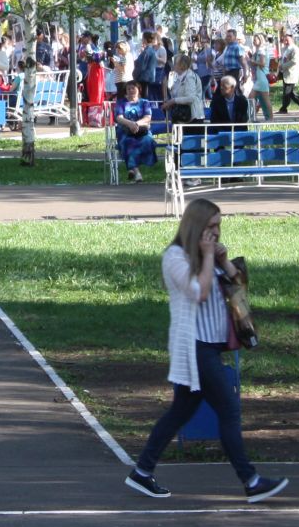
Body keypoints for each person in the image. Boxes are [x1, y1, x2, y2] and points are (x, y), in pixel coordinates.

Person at [122, 199, 289, 504]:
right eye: (210, 226)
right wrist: (210, 257)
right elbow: (199, 293)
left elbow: (238, 288)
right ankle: (250, 481)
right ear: (196, 226)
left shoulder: (208, 256)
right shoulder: (174, 257)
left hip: (212, 344)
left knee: (179, 412)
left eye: (219, 226)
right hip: (195, 347)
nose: (215, 232)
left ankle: (142, 472)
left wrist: (223, 261)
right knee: (228, 409)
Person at [113, 81, 157, 183]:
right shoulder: (121, 103)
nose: (131, 91)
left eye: (133, 88)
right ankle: (137, 172)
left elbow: (147, 118)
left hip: (142, 129)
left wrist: (136, 124)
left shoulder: (144, 102)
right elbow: (119, 118)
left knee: (147, 141)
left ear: (138, 90)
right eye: (128, 89)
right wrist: (130, 124)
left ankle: (131, 168)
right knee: (127, 142)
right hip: (125, 131)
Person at [166, 53, 204, 123]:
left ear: (181, 65)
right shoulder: (178, 77)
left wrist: (173, 101)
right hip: (181, 117)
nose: (173, 65)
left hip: (192, 119)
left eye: (175, 63)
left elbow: (191, 98)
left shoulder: (190, 77)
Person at [277, 36, 299, 114]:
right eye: (284, 40)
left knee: (288, 92)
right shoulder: (284, 49)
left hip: (292, 73)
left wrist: (283, 66)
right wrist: (279, 65)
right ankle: (284, 108)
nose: (286, 42)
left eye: (287, 40)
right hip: (284, 73)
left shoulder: (295, 49)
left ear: (292, 40)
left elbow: (294, 61)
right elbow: (282, 59)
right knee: (288, 92)